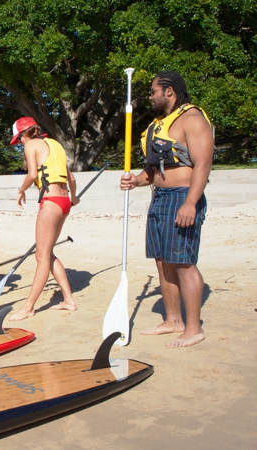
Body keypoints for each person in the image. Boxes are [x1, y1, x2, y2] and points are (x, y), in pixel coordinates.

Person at [120, 71, 213, 348]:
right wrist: (135, 180)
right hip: (159, 197)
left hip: (183, 196)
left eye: (153, 91)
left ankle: (194, 328)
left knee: (183, 262)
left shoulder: (192, 119)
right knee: (162, 261)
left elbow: (203, 164)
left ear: (169, 91)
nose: (150, 97)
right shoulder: (159, 124)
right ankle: (173, 320)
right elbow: (154, 170)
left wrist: (190, 202)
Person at [8, 116, 79, 321]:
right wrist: (74, 197)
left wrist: (21, 191)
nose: (20, 143)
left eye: (19, 139)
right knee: (47, 252)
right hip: (64, 201)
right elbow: (71, 178)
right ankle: (68, 300)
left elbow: (32, 175)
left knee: (41, 256)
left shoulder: (31, 145)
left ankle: (29, 307)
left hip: (50, 203)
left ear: (23, 134)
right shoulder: (55, 144)